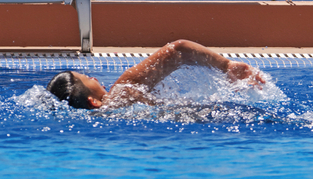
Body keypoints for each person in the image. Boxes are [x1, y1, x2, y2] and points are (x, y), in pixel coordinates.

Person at [46, 39, 267, 110]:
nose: (94, 78)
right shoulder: (121, 91)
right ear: (93, 101)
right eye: (89, 79)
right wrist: (226, 66)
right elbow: (179, 49)